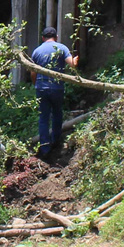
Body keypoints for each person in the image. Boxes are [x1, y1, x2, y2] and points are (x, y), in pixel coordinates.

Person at [31, 27, 78, 162]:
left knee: (43, 117)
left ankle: (45, 147)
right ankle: (56, 140)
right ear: (56, 37)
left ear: (43, 38)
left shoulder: (37, 51)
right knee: (57, 113)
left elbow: (33, 72)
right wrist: (75, 60)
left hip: (41, 88)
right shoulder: (62, 48)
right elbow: (72, 64)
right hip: (57, 87)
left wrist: (36, 84)